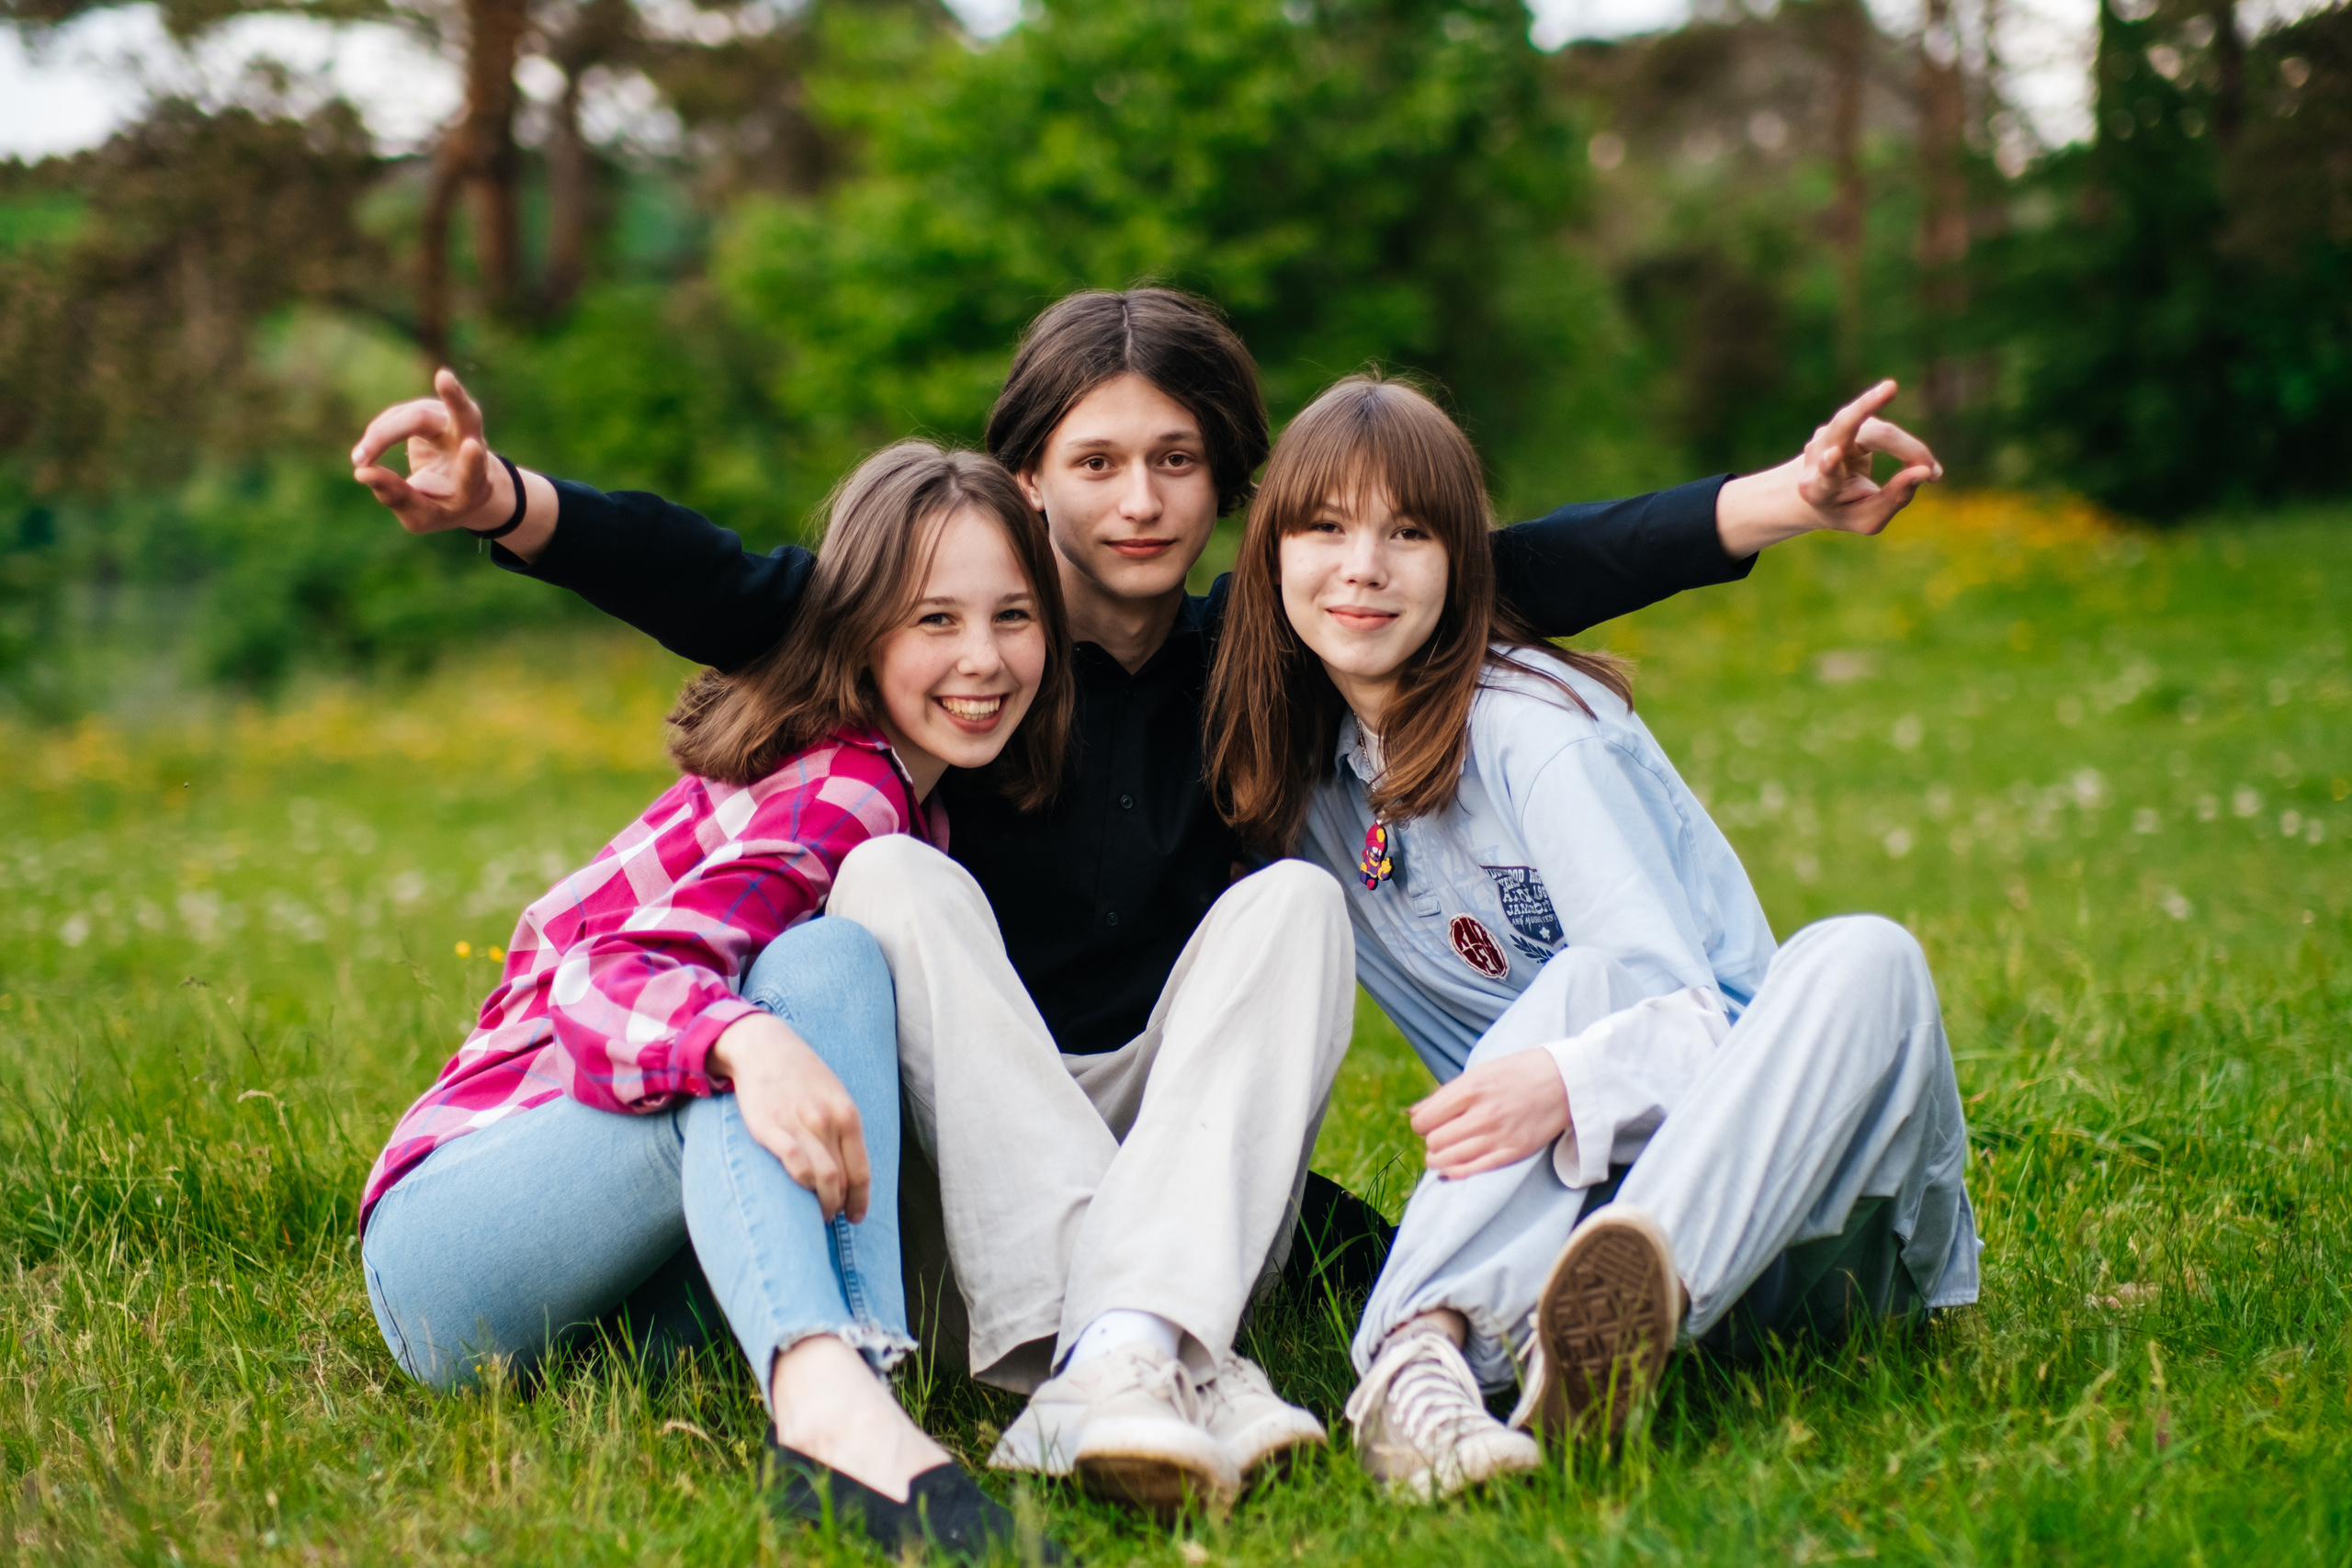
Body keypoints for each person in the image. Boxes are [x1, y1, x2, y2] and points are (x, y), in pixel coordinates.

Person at [350, 287, 1943, 1515]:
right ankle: (1121, 1348)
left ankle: (1152, 1334)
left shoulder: (1271, 648)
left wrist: (1778, 503)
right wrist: (509, 504)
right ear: (1028, 472)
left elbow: (1509, 564)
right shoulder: (955, 643)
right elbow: (721, 579)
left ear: (1231, 483)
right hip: (975, 1132)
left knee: (1299, 915)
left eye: (1178, 460)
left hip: (1177, 1125)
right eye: (1095, 461)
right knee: (892, 874)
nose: (1137, 500)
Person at [1201, 375, 1979, 1500]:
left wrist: (1568, 1082)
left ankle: (1555, 1325)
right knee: (1566, 1009)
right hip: (1563, 1224)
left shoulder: (1530, 729)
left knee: (1858, 957)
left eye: (1407, 533)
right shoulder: (1298, 779)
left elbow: (1692, 1018)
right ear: (1268, 558)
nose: (1361, 566)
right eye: (1323, 529)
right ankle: (1428, 1383)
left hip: (1793, 1223)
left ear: (1465, 565)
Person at [356, 442, 1076, 1562]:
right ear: (860, 633)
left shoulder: (926, 812)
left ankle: (846, 1392)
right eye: (934, 620)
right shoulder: (847, 784)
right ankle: (843, 1420)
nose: (981, 659)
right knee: (765, 1028)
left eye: (1014, 617)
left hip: (631, 1309)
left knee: (828, 965)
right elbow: (607, 974)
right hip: (457, 1252)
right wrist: (746, 1042)